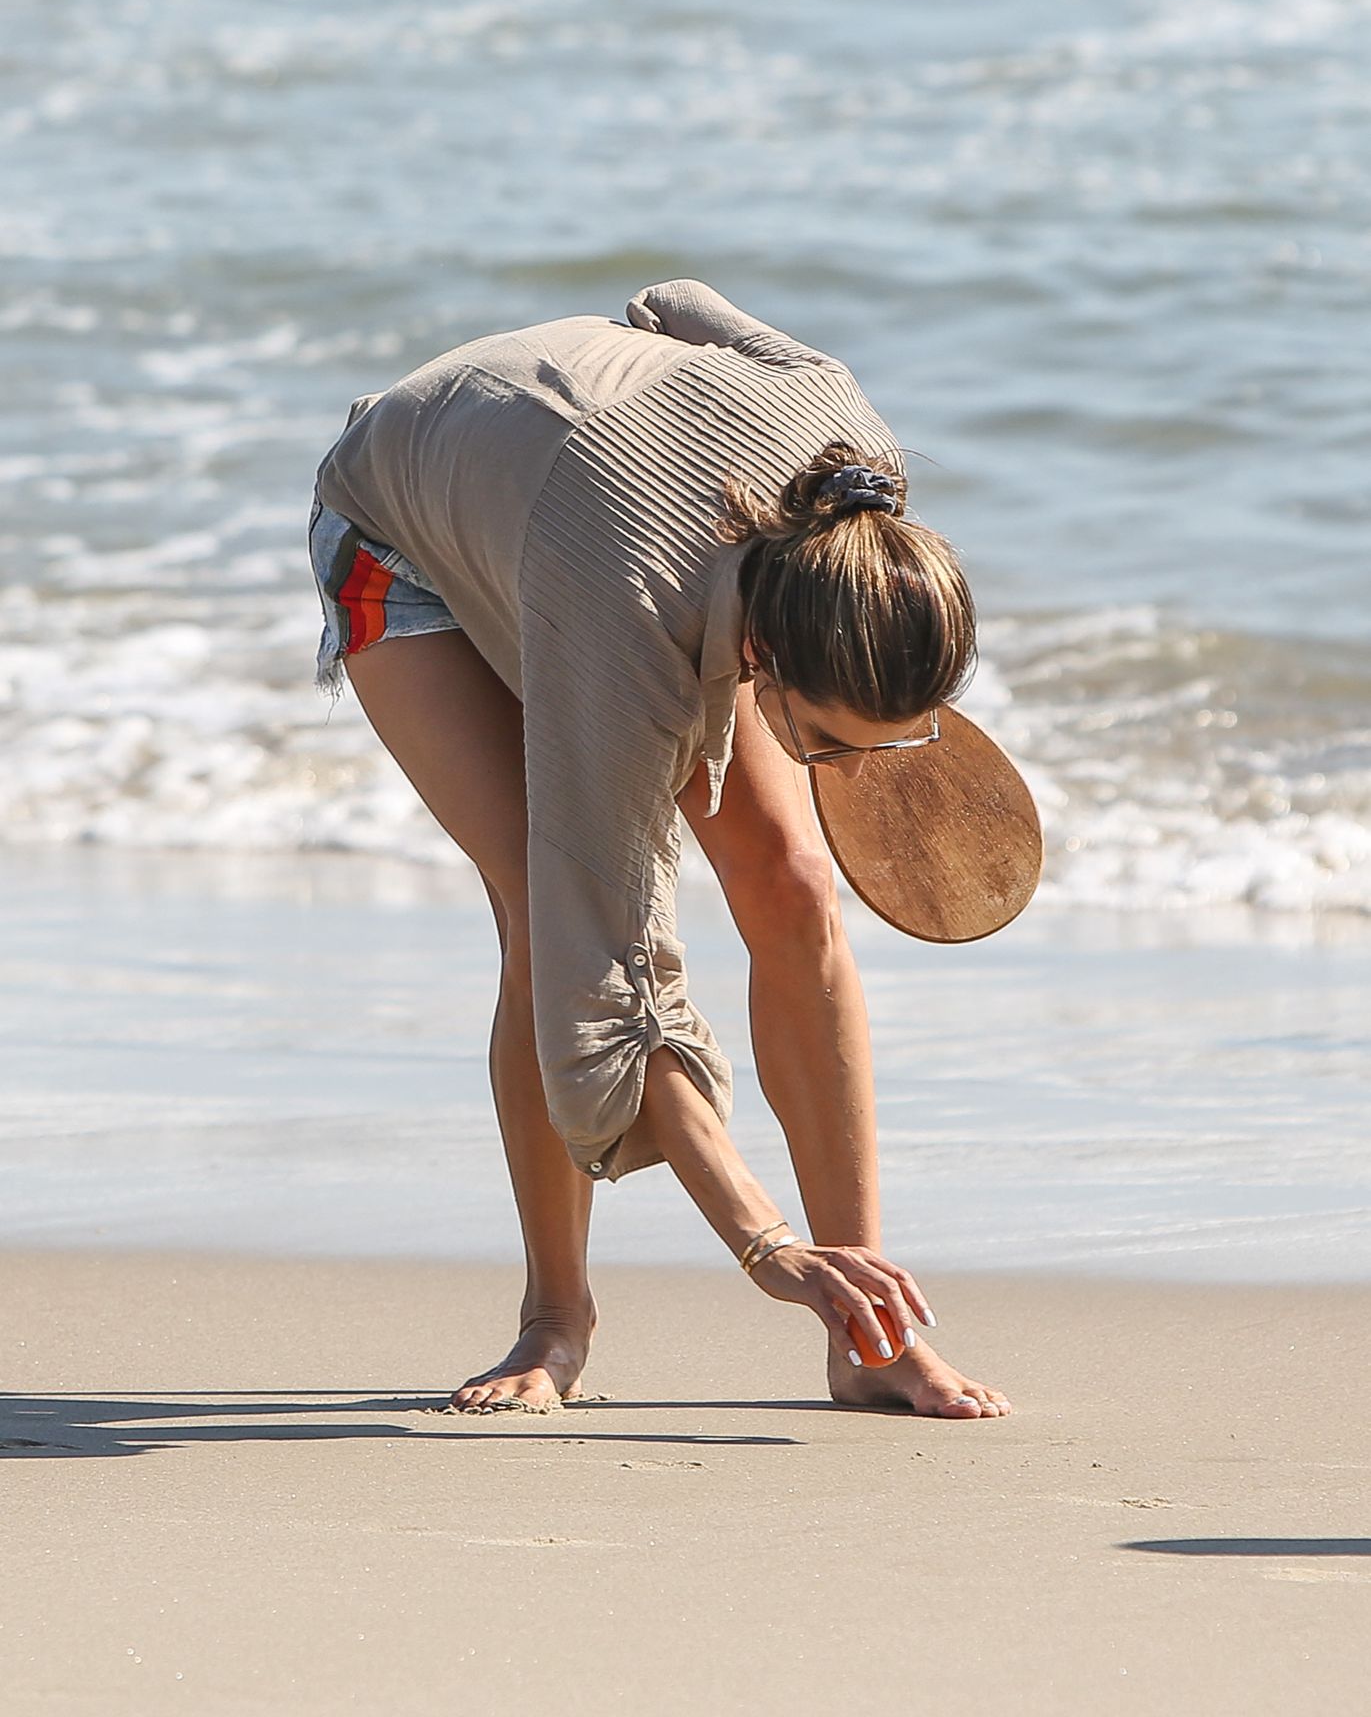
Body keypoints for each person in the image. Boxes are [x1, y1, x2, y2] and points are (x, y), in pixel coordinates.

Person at [307, 278, 1010, 1420]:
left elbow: (674, 302)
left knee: (793, 884)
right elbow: (613, 982)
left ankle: (869, 1331)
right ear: (763, 658)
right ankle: (555, 1316)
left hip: (588, 510)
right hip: (412, 538)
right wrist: (763, 1243)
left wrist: (619, 405)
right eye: (826, 744)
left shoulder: (851, 463)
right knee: (548, 916)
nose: (846, 776)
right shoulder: (629, 636)